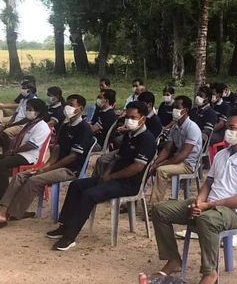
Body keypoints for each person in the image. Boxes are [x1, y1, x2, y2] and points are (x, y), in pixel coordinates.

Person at [151, 106, 237, 284]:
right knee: (160, 210)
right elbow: (209, 182)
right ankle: (173, 259)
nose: (228, 131)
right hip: (209, 204)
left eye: (232, 127)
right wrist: (199, 200)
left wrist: (208, 206)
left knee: (206, 220)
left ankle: (209, 272)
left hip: (233, 212)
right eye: (227, 126)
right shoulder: (221, 154)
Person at [46, 102, 157, 251]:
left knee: (89, 195)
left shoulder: (147, 139)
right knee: (76, 185)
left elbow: (137, 167)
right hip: (113, 178)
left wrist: (111, 176)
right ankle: (64, 226)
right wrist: (107, 173)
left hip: (129, 184)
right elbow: (117, 157)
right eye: (127, 117)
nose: (129, 120)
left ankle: (69, 237)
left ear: (142, 119)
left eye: (133, 117)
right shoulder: (129, 135)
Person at [0, 94, 94, 230]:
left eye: (71, 105)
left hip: (70, 170)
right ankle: (2, 212)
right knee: (19, 176)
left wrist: (46, 170)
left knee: (34, 180)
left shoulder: (84, 129)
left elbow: (72, 157)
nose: (67, 107)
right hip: (55, 166)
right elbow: (56, 151)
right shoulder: (65, 127)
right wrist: (45, 166)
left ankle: (9, 215)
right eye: (66, 104)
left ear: (80, 109)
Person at [0, 99, 51, 202]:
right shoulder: (30, 123)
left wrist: (12, 151)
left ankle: (4, 197)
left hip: (29, 157)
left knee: (1, 164)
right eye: (26, 108)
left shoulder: (42, 127)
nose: (27, 111)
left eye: (29, 109)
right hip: (20, 153)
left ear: (37, 112)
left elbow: (30, 145)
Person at [149, 96, 202, 205]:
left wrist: (162, 164)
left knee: (161, 170)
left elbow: (183, 155)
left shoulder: (192, 128)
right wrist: (155, 163)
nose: (174, 110)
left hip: (188, 164)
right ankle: (135, 198)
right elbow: (167, 149)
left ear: (186, 110)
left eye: (177, 107)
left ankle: (153, 206)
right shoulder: (175, 127)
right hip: (178, 160)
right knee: (150, 165)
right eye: (174, 107)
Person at [0, 78, 38, 152]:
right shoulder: (23, 100)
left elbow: (28, 119)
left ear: (29, 90)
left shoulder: (34, 102)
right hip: (16, 122)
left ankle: (11, 149)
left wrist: (12, 124)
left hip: (23, 125)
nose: (22, 90)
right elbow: (16, 112)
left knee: (6, 132)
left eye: (24, 88)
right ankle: (5, 148)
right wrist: (10, 121)